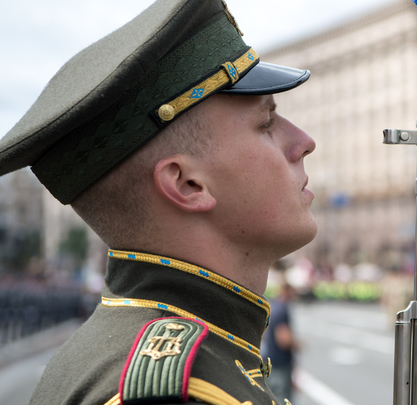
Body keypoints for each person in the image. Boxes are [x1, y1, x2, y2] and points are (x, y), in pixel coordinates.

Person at [0, 1, 316, 404]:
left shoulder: (114, 351)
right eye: (267, 124)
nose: (305, 143)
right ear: (187, 184)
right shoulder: (181, 393)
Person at [261, 282, 301, 403]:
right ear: (287, 291)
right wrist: (297, 345)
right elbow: (283, 338)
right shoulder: (282, 309)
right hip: (279, 364)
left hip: (270, 361)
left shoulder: (273, 306)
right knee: (282, 398)